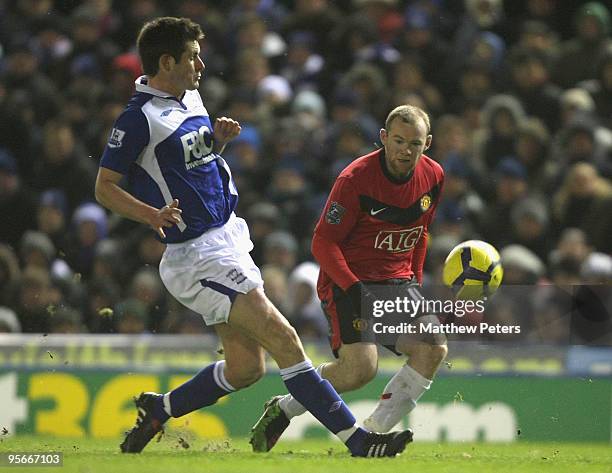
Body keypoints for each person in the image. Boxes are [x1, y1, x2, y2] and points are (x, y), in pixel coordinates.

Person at [95, 17, 412, 457]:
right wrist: (152, 216)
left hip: (229, 238)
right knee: (285, 340)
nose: (200, 64)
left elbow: (192, 167)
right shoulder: (138, 120)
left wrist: (217, 143)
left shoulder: (190, 97)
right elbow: (104, 186)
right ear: (166, 62)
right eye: (191, 57)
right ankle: (358, 441)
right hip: (197, 254)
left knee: (246, 369)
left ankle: (159, 408)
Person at [250, 104, 447, 451]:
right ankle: (285, 408)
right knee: (359, 370)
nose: (405, 150)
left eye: (414, 144)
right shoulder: (355, 180)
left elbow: (421, 231)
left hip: (396, 281)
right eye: (398, 141)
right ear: (383, 139)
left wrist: (414, 278)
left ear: (427, 143)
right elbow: (322, 241)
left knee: (432, 348)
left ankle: (373, 430)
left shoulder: (434, 176)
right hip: (348, 279)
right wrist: (355, 289)